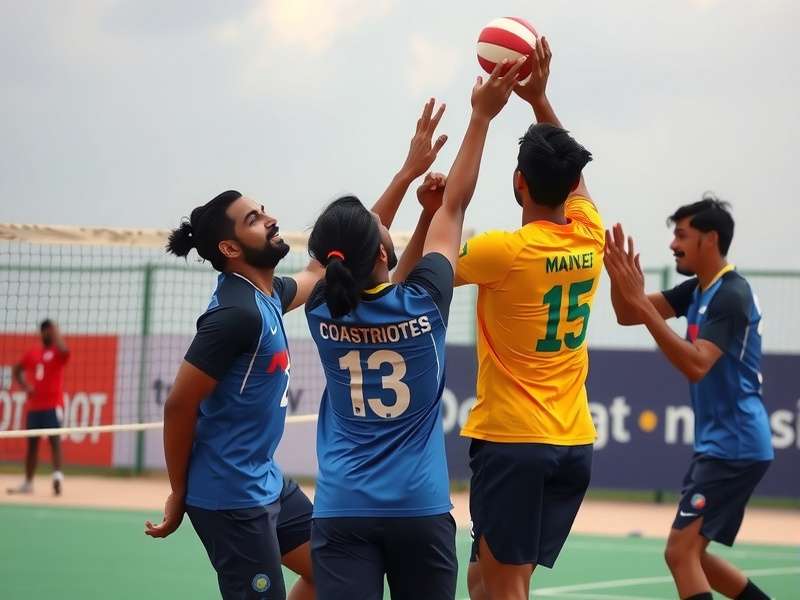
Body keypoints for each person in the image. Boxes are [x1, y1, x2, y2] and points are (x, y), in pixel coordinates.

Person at [305, 61, 526, 600]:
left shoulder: (320, 309)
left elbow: (356, 255)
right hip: (418, 511)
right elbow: (457, 201)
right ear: (382, 249)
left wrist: (407, 180)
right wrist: (481, 117)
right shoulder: (424, 303)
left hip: (342, 512)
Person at [456, 38, 601, 600]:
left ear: (519, 182)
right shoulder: (589, 234)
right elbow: (574, 178)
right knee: (481, 580)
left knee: (507, 583)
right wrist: (541, 99)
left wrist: (481, 118)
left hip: (515, 440)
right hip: (572, 442)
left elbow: (439, 243)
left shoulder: (503, 251)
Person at [144, 189, 323, 600]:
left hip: (262, 478)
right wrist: (178, 491)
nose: (270, 219)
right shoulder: (234, 315)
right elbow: (179, 404)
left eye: (262, 212)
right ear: (230, 247)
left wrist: (405, 174)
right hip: (231, 498)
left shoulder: (268, 294)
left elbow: (320, 272)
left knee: (333, 569)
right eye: (254, 219)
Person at [603, 196, 773, 600]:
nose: (673, 244)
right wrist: (618, 278)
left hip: (734, 444)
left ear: (709, 239)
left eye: (681, 235)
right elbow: (628, 313)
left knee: (680, 553)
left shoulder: (731, 295)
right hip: (724, 444)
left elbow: (697, 365)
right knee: (693, 554)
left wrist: (641, 304)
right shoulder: (699, 289)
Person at [7, 319, 69, 497]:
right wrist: (25, 386)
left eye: (52, 330)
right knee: (32, 445)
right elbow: (16, 370)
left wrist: (56, 331)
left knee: (54, 441)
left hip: (53, 406)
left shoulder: (58, 352)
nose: (50, 333)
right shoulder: (33, 353)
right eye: (47, 330)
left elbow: (65, 351)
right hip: (35, 407)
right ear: (42, 332)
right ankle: (28, 483)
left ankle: (57, 477)